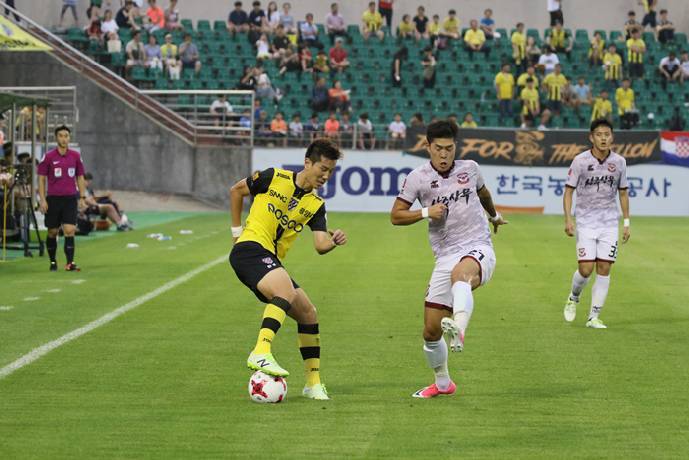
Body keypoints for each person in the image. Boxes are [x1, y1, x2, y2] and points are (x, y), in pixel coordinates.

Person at [390, 120, 507, 398]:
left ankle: (460, 328)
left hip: (478, 246)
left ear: (456, 147)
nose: (444, 155)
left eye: (449, 149)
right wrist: (425, 213)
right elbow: (395, 215)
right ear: (428, 147)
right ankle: (443, 383)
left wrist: (494, 216)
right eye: (439, 149)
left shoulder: (471, 168)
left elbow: (483, 193)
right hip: (445, 255)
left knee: (461, 276)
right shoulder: (417, 178)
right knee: (430, 332)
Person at [229, 139, 346, 400]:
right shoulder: (273, 177)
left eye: (330, 171)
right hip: (250, 248)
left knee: (308, 313)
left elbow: (320, 245)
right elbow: (236, 191)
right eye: (323, 169)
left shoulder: (315, 205)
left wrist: (333, 241)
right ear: (308, 163)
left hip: (270, 260)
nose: (326, 176)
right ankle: (261, 351)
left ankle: (312, 384)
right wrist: (236, 234)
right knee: (284, 288)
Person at [563, 118, 630, 329]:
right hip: (586, 221)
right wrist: (568, 218)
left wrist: (626, 223)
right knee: (585, 269)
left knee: (604, 267)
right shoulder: (580, 161)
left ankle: (594, 316)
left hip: (609, 222)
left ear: (612, 137)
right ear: (591, 137)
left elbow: (623, 193)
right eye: (599, 134)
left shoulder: (619, 162)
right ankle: (574, 296)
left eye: (607, 134)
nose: (603, 138)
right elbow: (568, 191)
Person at [37, 126, 86, 272]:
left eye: (66, 136)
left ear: (69, 138)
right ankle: (53, 262)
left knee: (69, 230)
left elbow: (80, 177)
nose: (64, 139)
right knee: (52, 231)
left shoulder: (76, 156)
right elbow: (41, 180)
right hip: (53, 199)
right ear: (56, 138)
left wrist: (82, 197)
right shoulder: (48, 157)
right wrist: (42, 200)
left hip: (70, 199)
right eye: (61, 136)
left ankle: (70, 263)